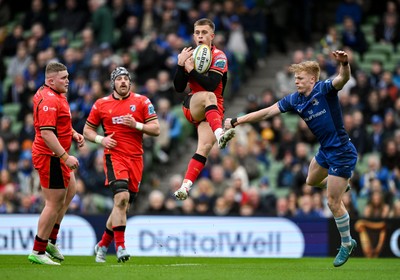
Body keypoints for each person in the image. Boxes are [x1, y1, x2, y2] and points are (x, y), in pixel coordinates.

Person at [225, 50, 357, 267]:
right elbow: (267, 112)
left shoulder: (324, 89)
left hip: (342, 151)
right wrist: (237, 121)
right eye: (295, 77)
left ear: (312, 79)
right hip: (325, 150)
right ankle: (340, 185)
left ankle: (346, 243)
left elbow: (343, 79)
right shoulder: (295, 100)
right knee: (311, 181)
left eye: (300, 78)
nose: (296, 81)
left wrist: (344, 64)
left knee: (333, 202)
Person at [83, 66, 160, 263]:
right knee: (121, 198)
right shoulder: (101, 104)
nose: (123, 81)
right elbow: (87, 131)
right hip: (114, 156)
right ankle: (120, 247)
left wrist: (136, 125)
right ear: (113, 83)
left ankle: (101, 245)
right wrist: (102, 140)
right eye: (119, 79)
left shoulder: (142, 101)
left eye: (126, 78)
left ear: (130, 82)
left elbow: (156, 129)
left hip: (136, 158)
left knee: (122, 206)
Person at [28, 62, 85, 265]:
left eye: (68, 76)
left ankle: (51, 240)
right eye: (63, 78)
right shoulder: (49, 100)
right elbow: (46, 133)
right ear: (50, 80)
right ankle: (39, 249)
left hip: (55, 155)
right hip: (50, 156)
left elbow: (59, 124)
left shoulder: (56, 95)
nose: (68, 80)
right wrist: (65, 157)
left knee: (71, 190)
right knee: (53, 203)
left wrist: (73, 133)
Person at [172, 18, 235, 201]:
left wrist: (190, 70)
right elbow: (178, 87)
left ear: (212, 36)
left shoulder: (220, 56)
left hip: (214, 110)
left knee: (204, 148)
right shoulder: (188, 55)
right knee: (209, 96)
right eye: (197, 33)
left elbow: (212, 82)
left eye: (204, 33)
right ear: (193, 35)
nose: (200, 36)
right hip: (194, 103)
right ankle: (220, 134)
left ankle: (184, 187)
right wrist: (180, 65)